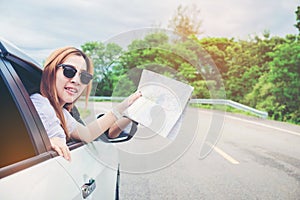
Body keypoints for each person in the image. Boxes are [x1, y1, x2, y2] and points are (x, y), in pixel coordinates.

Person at [30, 46, 141, 161]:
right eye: (69, 71)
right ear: (51, 71)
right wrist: (53, 140)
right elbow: (53, 137)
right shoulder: (40, 104)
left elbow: (87, 134)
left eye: (84, 76)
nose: (76, 81)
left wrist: (126, 106)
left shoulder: (61, 113)